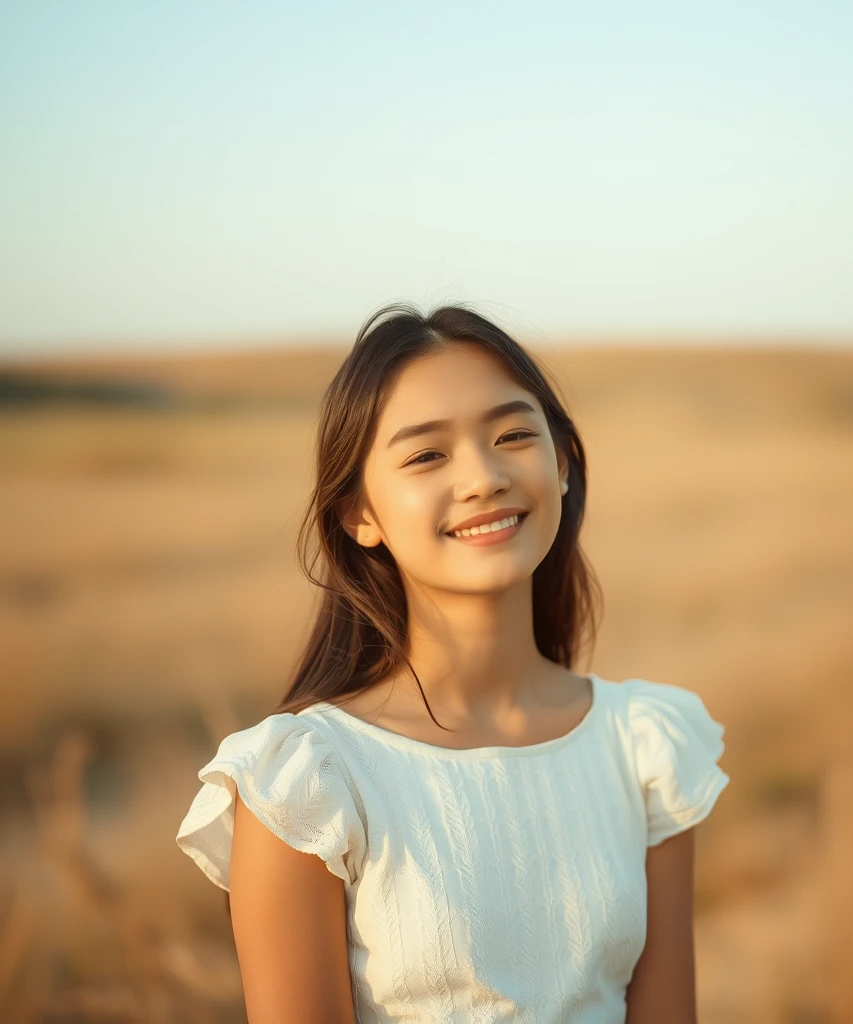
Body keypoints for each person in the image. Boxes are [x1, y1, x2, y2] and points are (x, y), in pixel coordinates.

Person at [176, 302, 730, 1023]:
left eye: (514, 435)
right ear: (358, 514)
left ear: (560, 464)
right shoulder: (306, 782)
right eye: (427, 455)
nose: (484, 477)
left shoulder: (643, 745)